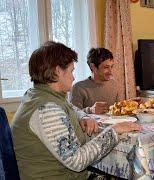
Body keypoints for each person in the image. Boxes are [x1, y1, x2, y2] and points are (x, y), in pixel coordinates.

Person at [11, 41, 141, 179]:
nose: (73, 77)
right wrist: (113, 131)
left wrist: (83, 117)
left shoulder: (39, 95)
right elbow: (77, 161)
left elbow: (72, 108)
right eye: (71, 71)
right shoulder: (46, 110)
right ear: (57, 71)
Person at [70, 48, 119, 114]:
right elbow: (72, 115)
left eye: (111, 67)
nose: (111, 72)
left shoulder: (114, 84)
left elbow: (118, 110)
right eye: (106, 67)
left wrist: (131, 103)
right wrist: (90, 110)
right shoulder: (78, 88)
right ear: (93, 67)